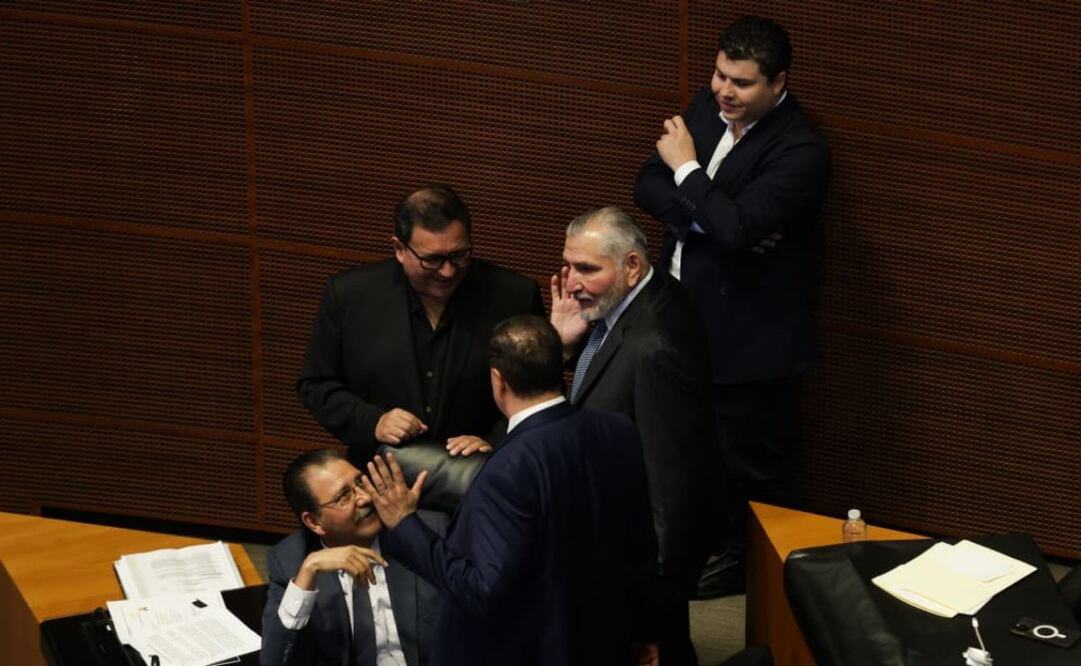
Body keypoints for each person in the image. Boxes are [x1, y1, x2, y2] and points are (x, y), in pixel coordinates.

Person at [633, 15, 832, 597]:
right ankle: (714, 547)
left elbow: (739, 227)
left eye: (740, 83)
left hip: (752, 337)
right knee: (689, 448)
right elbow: (646, 182)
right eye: (719, 75)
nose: (723, 91)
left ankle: (766, 569)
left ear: (778, 83)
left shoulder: (802, 150)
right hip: (677, 315)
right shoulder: (706, 107)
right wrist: (708, 221)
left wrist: (690, 172)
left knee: (752, 462)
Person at [363, 315, 659, 666]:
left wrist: (404, 524)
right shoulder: (617, 430)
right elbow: (641, 546)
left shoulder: (508, 468)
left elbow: (482, 591)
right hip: (602, 637)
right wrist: (644, 631)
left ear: (497, 380)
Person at [549, 207, 722, 665]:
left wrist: (649, 617)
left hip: (635, 563)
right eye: (569, 267)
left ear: (631, 266)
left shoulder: (654, 351)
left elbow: (672, 495)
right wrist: (562, 350)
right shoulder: (649, 296)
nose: (571, 284)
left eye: (588, 270)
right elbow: (605, 380)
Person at [297, 184, 544, 466]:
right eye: (432, 260)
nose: (448, 271)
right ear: (399, 249)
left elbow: (540, 390)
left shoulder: (514, 296)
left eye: (459, 255)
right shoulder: (350, 296)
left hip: (482, 477)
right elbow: (315, 384)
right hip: (382, 477)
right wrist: (373, 422)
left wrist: (496, 439)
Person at [260, 448, 446, 666]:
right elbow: (275, 662)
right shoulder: (291, 561)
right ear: (314, 522)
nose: (365, 498)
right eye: (343, 497)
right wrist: (310, 570)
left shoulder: (430, 532)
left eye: (361, 483)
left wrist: (412, 532)